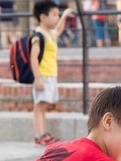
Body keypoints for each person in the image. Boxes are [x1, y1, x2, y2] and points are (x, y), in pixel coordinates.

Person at [30, 1, 74, 145]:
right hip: (42, 75)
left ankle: (42, 133)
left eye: (57, 14)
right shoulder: (39, 35)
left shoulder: (49, 33)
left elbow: (59, 30)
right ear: (43, 17)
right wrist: (37, 78)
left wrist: (65, 16)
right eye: (54, 15)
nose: (56, 17)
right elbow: (33, 57)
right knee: (39, 105)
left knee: (43, 105)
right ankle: (39, 135)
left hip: (50, 75)